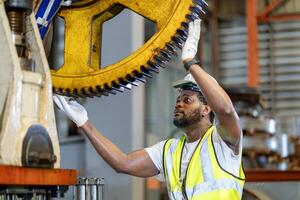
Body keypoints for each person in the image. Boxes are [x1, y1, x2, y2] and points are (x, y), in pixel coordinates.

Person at [53, 19, 245, 200]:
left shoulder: (222, 142)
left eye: (187, 100)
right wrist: (83, 122)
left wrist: (189, 62)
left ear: (206, 109)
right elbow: (123, 163)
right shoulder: (170, 151)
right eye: (178, 99)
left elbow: (227, 111)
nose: (179, 104)